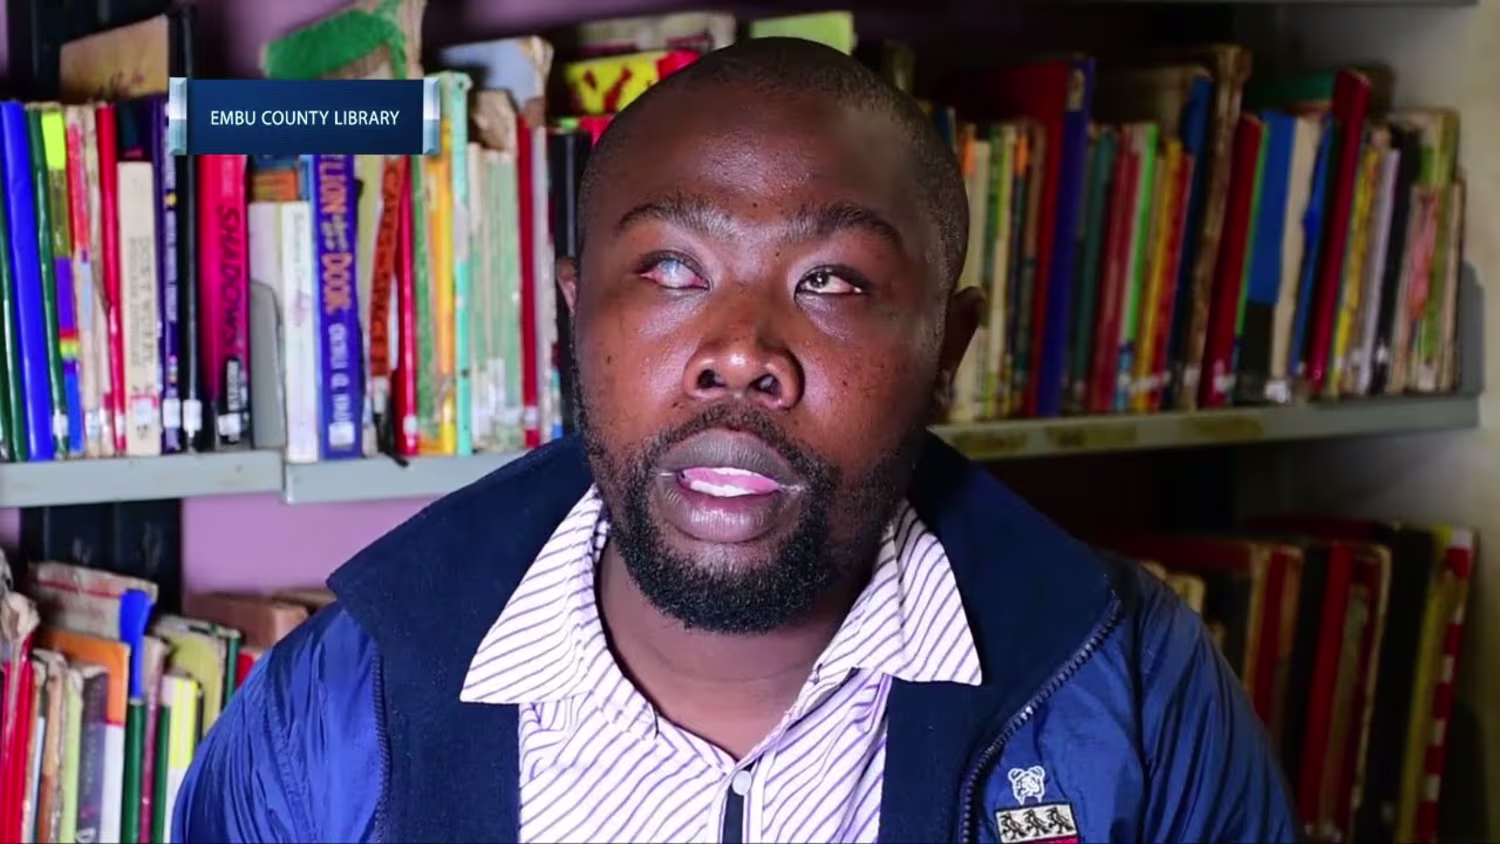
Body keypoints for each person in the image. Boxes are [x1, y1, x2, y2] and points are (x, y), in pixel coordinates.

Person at [174, 37, 1298, 843]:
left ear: (946, 347)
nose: (742, 351)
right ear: (575, 314)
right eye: (671, 268)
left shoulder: (1130, 680)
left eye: (834, 281)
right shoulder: (337, 705)